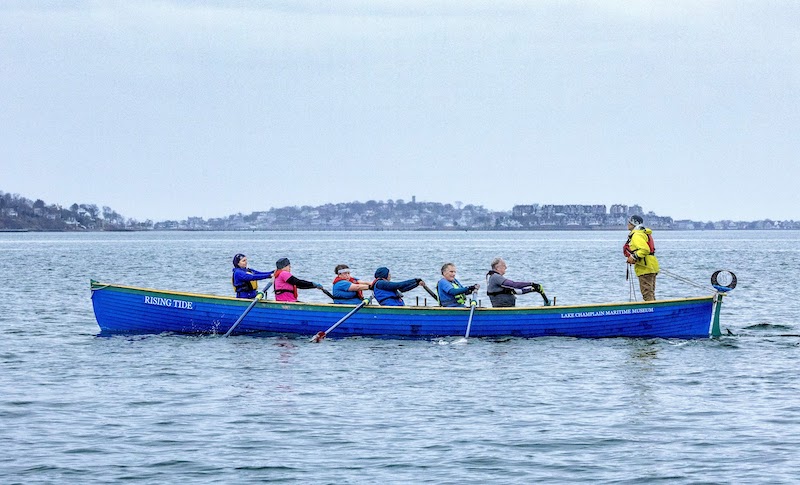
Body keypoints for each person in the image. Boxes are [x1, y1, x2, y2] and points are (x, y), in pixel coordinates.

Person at [623, 214, 660, 301]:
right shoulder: (643, 233)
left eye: (629, 222)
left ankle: (652, 312)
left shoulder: (636, 235)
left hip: (645, 267)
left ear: (634, 224)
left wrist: (633, 256)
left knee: (647, 293)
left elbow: (645, 249)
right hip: (651, 266)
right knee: (650, 292)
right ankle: (655, 309)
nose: (628, 224)